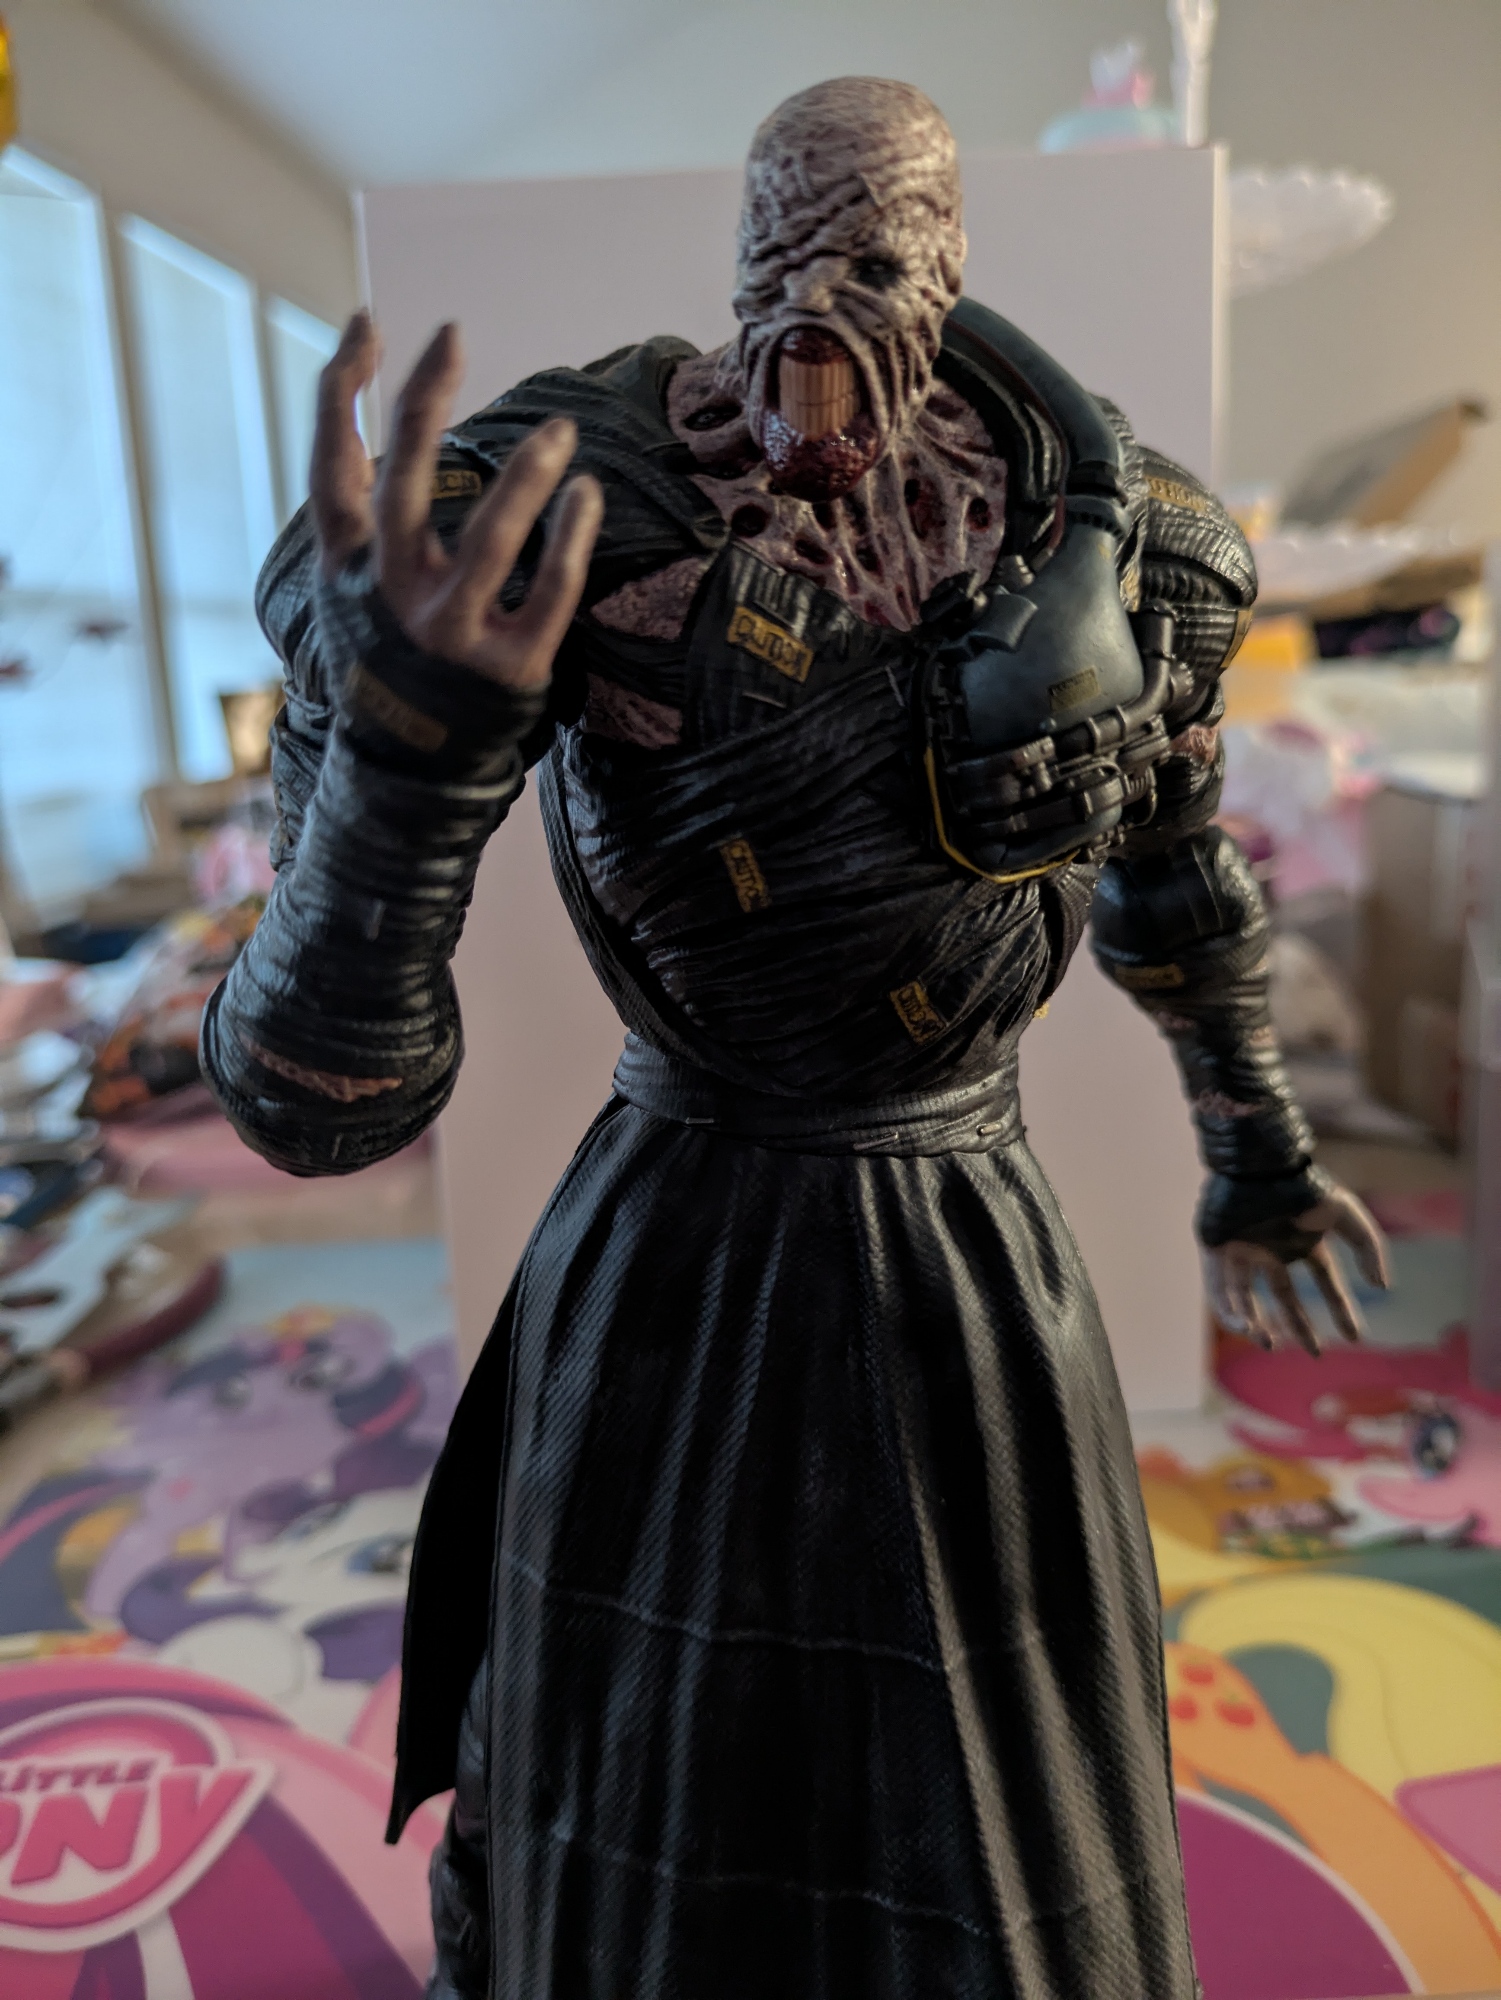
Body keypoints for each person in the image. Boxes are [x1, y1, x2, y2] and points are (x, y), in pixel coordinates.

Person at [204, 76, 1387, 2000]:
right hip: (679, 1238)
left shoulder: (1122, 538)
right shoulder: (562, 504)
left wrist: (1256, 1146)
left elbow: (1176, 872)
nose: (819, 337)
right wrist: (397, 787)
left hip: (958, 1241)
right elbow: (313, 1103)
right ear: (736, 261)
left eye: (877, 264)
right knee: (638, 1799)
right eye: (787, 264)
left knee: (992, 1803)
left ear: (951, 266)